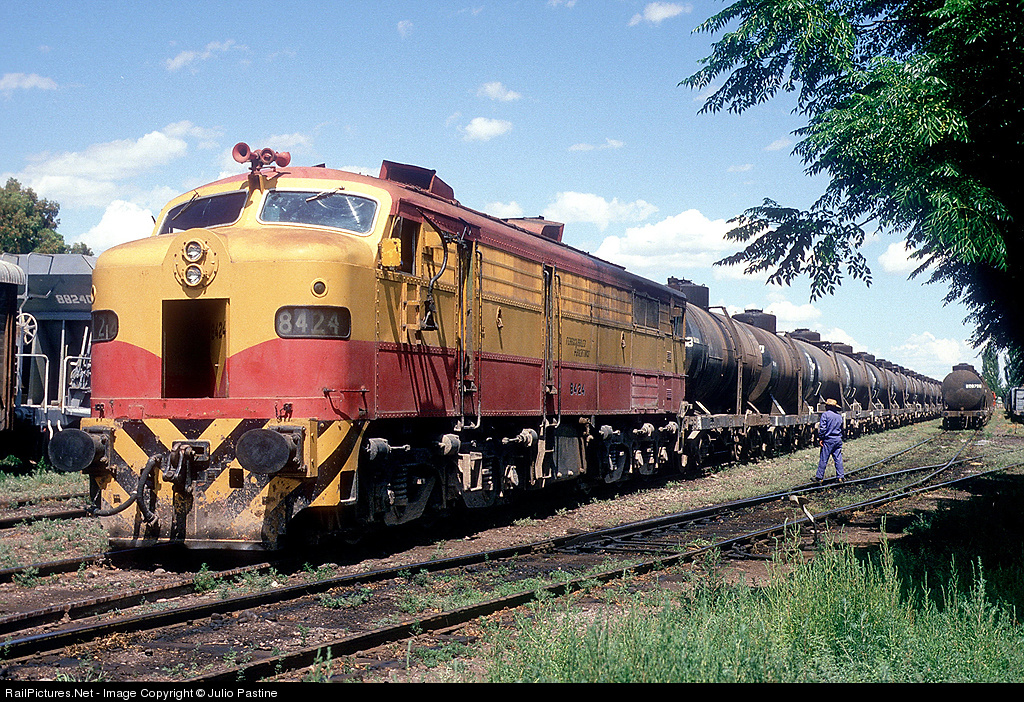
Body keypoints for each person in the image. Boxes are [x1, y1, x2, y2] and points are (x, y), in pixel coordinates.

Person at [816, 398, 845, 483]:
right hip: (838, 439)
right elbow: (842, 428)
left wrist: (821, 438)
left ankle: (819, 477)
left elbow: (822, 429)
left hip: (828, 440)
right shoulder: (839, 416)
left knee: (824, 458)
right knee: (838, 458)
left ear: (828, 406)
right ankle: (840, 477)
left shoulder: (825, 415)